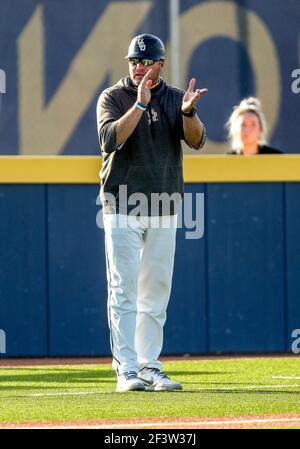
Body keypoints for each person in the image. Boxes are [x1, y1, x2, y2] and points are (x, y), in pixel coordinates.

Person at [96, 34, 207, 392]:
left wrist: (188, 112)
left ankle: (149, 365)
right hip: (122, 202)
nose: (139, 67)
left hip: (163, 204)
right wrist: (140, 106)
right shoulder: (113, 96)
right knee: (123, 289)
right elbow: (110, 139)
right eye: (134, 61)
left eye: (146, 61)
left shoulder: (175, 97)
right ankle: (126, 368)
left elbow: (196, 139)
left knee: (156, 291)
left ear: (161, 63)